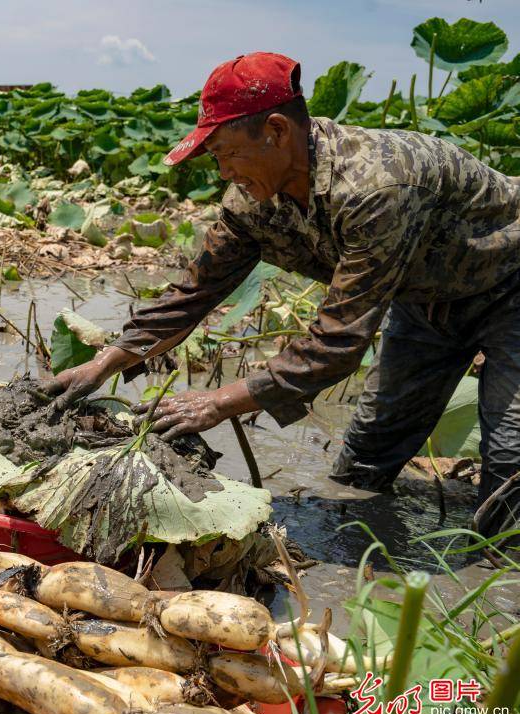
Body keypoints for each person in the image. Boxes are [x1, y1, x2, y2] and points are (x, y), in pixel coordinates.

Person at [45, 52, 520, 545]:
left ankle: (494, 588)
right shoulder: (253, 199)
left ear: (275, 131)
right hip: (425, 300)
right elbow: (194, 291)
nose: (224, 172)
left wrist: (219, 402)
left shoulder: (376, 187)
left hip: (510, 287)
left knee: (509, 464)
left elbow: (337, 342)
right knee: (365, 459)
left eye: (227, 153)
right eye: (214, 159)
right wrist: (104, 363)